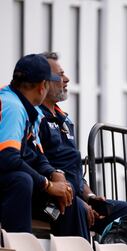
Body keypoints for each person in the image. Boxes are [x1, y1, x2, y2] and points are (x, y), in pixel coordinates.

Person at [38, 52, 127, 240]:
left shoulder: (65, 120)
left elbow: (75, 170)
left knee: (126, 210)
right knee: (74, 208)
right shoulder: (35, 117)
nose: (66, 79)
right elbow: (37, 164)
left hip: (76, 198)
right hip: (49, 202)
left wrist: (91, 197)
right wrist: (77, 200)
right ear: (43, 81)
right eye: (60, 75)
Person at [0, 54, 73, 232]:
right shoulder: (13, 107)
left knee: (69, 199)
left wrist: (54, 174)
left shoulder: (24, 106)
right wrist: (47, 185)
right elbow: (7, 158)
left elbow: (34, 155)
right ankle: (17, 243)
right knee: (21, 180)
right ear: (42, 87)